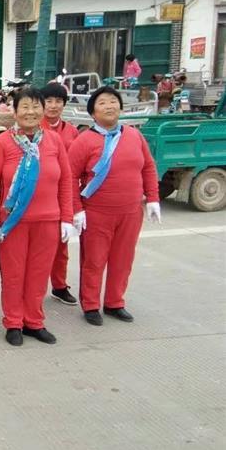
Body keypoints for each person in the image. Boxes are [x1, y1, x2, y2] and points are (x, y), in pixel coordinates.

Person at [0, 87, 74, 347]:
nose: (30, 112)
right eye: (25, 106)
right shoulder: (3, 142)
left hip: (47, 220)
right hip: (13, 223)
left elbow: (66, 180)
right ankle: (13, 322)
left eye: (36, 106)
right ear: (14, 111)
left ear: (43, 111)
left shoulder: (53, 141)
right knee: (13, 275)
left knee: (38, 274)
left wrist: (67, 217)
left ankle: (34, 321)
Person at [67, 86, 160, 326]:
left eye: (113, 101)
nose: (109, 106)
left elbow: (148, 167)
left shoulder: (134, 136)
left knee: (123, 259)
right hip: (97, 213)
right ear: (92, 113)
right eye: (102, 103)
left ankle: (114, 302)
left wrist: (153, 198)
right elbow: (69, 177)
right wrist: (76, 209)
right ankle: (90, 304)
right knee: (94, 261)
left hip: (130, 212)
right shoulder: (84, 140)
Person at [39, 82, 80, 306]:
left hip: (63, 194)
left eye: (58, 101)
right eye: (49, 101)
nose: (53, 106)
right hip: (39, 195)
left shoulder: (72, 131)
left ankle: (59, 285)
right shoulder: (34, 127)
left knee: (61, 244)